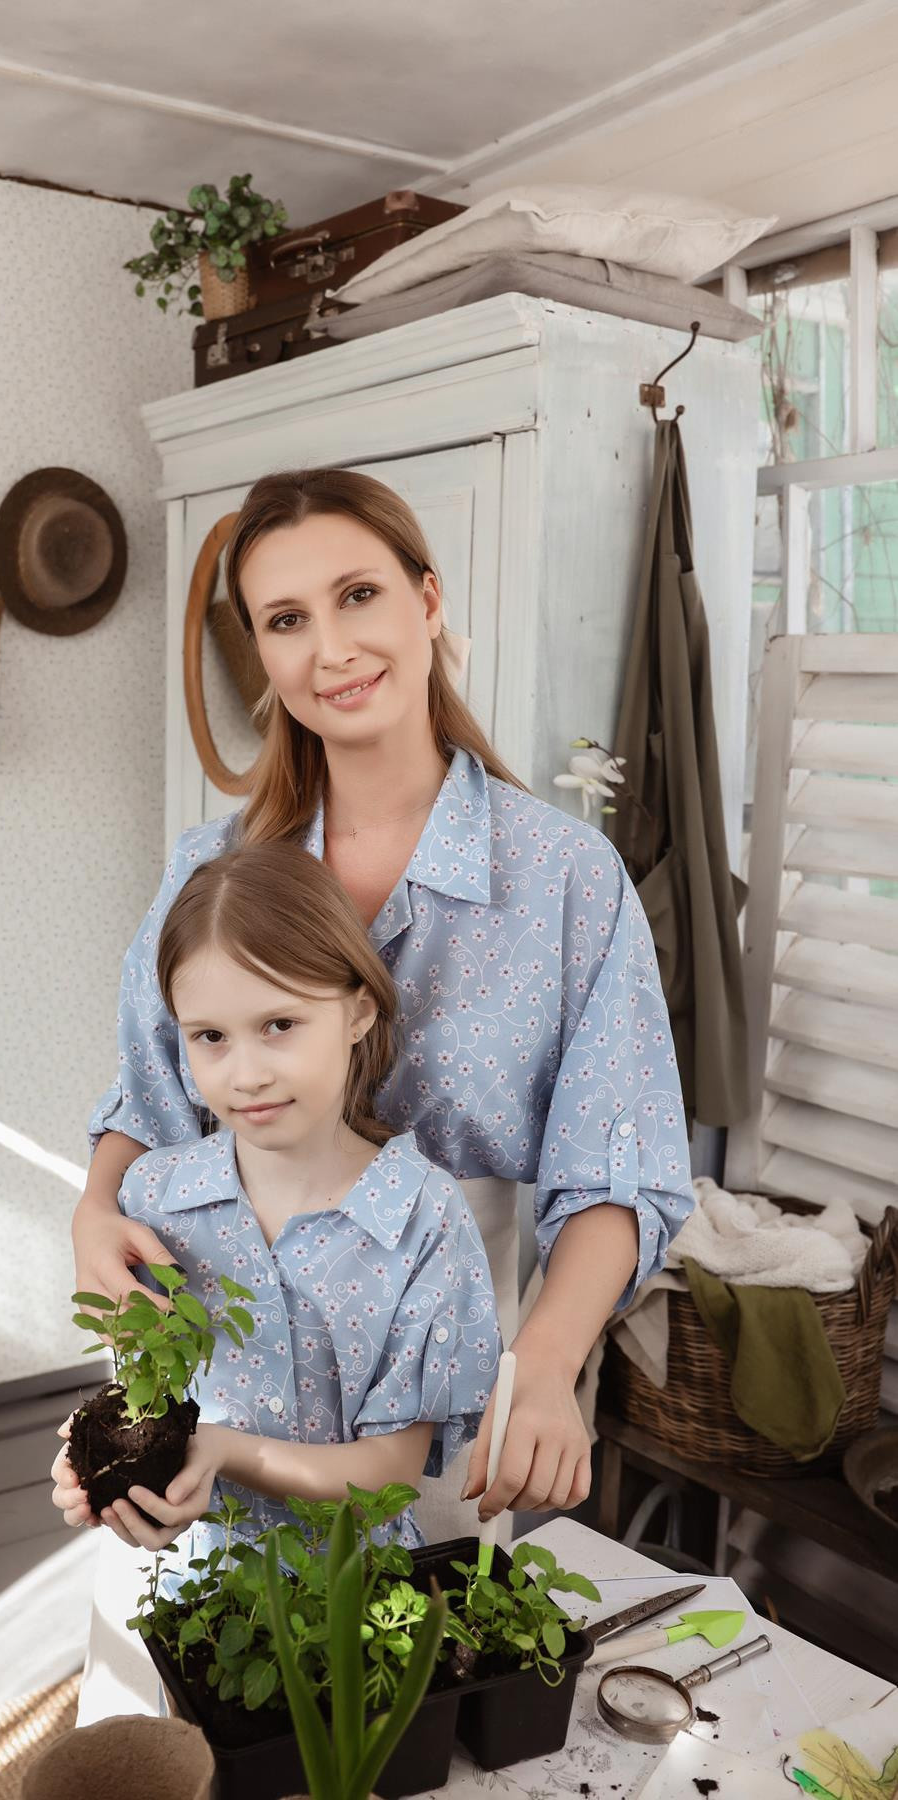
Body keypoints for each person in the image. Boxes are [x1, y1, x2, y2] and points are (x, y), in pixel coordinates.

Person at [58, 465, 693, 1547]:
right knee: (190, 1678)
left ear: (428, 601)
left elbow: (619, 1160)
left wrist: (542, 1362)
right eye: (287, 620)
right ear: (261, 653)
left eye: (360, 595)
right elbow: (149, 1095)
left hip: (450, 1368)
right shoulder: (210, 867)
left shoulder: (566, 880)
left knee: (402, 1669)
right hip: (228, 1343)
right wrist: (92, 1212)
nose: (333, 650)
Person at [56, 842, 498, 1574]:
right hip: (193, 1593)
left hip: (359, 1600)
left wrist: (226, 1452)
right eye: (210, 1038)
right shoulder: (152, 1201)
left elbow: (390, 1468)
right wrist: (97, 1460)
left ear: (357, 1011)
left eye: (279, 1025)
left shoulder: (423, 1217)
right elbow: (145, 1396)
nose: (247, 1073)